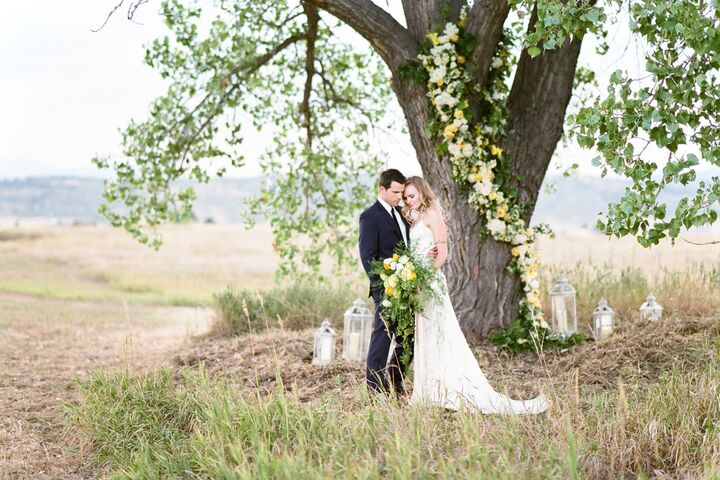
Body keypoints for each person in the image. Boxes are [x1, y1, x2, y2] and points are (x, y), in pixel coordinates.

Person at [402, 175, 548, 414]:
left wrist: (427, 275)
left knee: (440, 331)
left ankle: (450, 386)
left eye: (412, 196)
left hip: (430, 282)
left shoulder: (433, 215)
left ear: (421, 192)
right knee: (425, 333)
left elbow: (443, 251)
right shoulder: (416, 218)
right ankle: (428, 389)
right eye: (406, 198)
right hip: (418, 282)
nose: (408, 201)